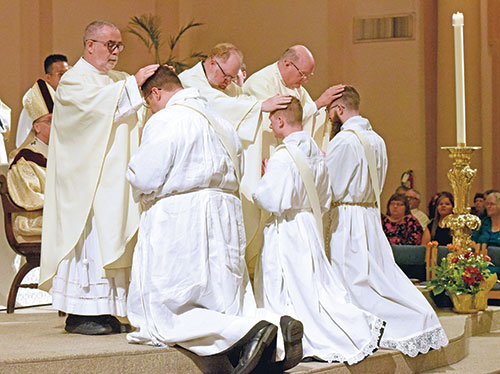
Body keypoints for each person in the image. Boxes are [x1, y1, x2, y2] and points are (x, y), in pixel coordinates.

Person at [126, 66, 303, 374]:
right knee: (221, 297)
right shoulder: (221, 122)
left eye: (149, 101)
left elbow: (145, 176)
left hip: (181, 216)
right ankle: (273, 326)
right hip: (224, 214)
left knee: (171, 305)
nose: (150, 108)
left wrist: (135, 180)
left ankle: (249, 331)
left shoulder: (167, 119)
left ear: (156, 93)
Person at [39, 20, 160, 335]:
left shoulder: (118, 79)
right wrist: (134, 84)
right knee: (92, 243)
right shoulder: (73, 81)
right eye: (110, 45)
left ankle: (107, 311)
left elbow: (129, 106)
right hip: (87, 186)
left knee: (113, 240)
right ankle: (80, 313)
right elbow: (94, 111)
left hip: (114, 184)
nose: (116, 52)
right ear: (89, 44)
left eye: (119, 46)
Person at [253, 97, 384, 364]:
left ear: (280, 120)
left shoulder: (282, 156)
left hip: (287, 228)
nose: (269, 124)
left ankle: (290, 335)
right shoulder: (314, 152)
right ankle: (347, 325)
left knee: (286, 284)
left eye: (271, 120)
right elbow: (325, 198)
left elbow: (269, 199)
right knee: (311, 284)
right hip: (308, 226)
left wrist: (264, 179)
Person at [325, 86, 448, 356]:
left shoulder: (344, 141)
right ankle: (414, 315)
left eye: (330, 111)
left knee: (354, 278)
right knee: (378, 275)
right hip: (368, 213)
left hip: (348, 218)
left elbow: (329, 185)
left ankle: (369, 325)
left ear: (339, 109)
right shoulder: (376, 139)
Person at [178, 43, 292, 274]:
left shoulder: (228, 86)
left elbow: (241, 103)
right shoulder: (188, 80)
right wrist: (259, 106)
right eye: (226, 75)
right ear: (211, 62)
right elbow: (215, 104)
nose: (227, 82)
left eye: (232, 77)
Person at [244, 45, 344, 151]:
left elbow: (313, 115)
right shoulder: (259, 83)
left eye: (309, 76)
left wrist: (329, 108)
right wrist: (319, 103)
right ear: (288, 64)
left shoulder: (296, 88)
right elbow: (281, 121)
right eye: (303, 74)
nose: (305, 80)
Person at [6, 82, 51, 242]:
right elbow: (29, 196)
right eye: (50, 120)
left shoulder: (59, 152)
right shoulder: (25, 157)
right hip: (31, 221)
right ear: (37, 127)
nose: (56, 125)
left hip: (54, 215)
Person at [16, 54, 70, 147]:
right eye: (60, 74)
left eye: (67, 74)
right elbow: (23, 137)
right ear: (48, 77)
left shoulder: (69, 98)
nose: (66, 78)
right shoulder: (36, 101)